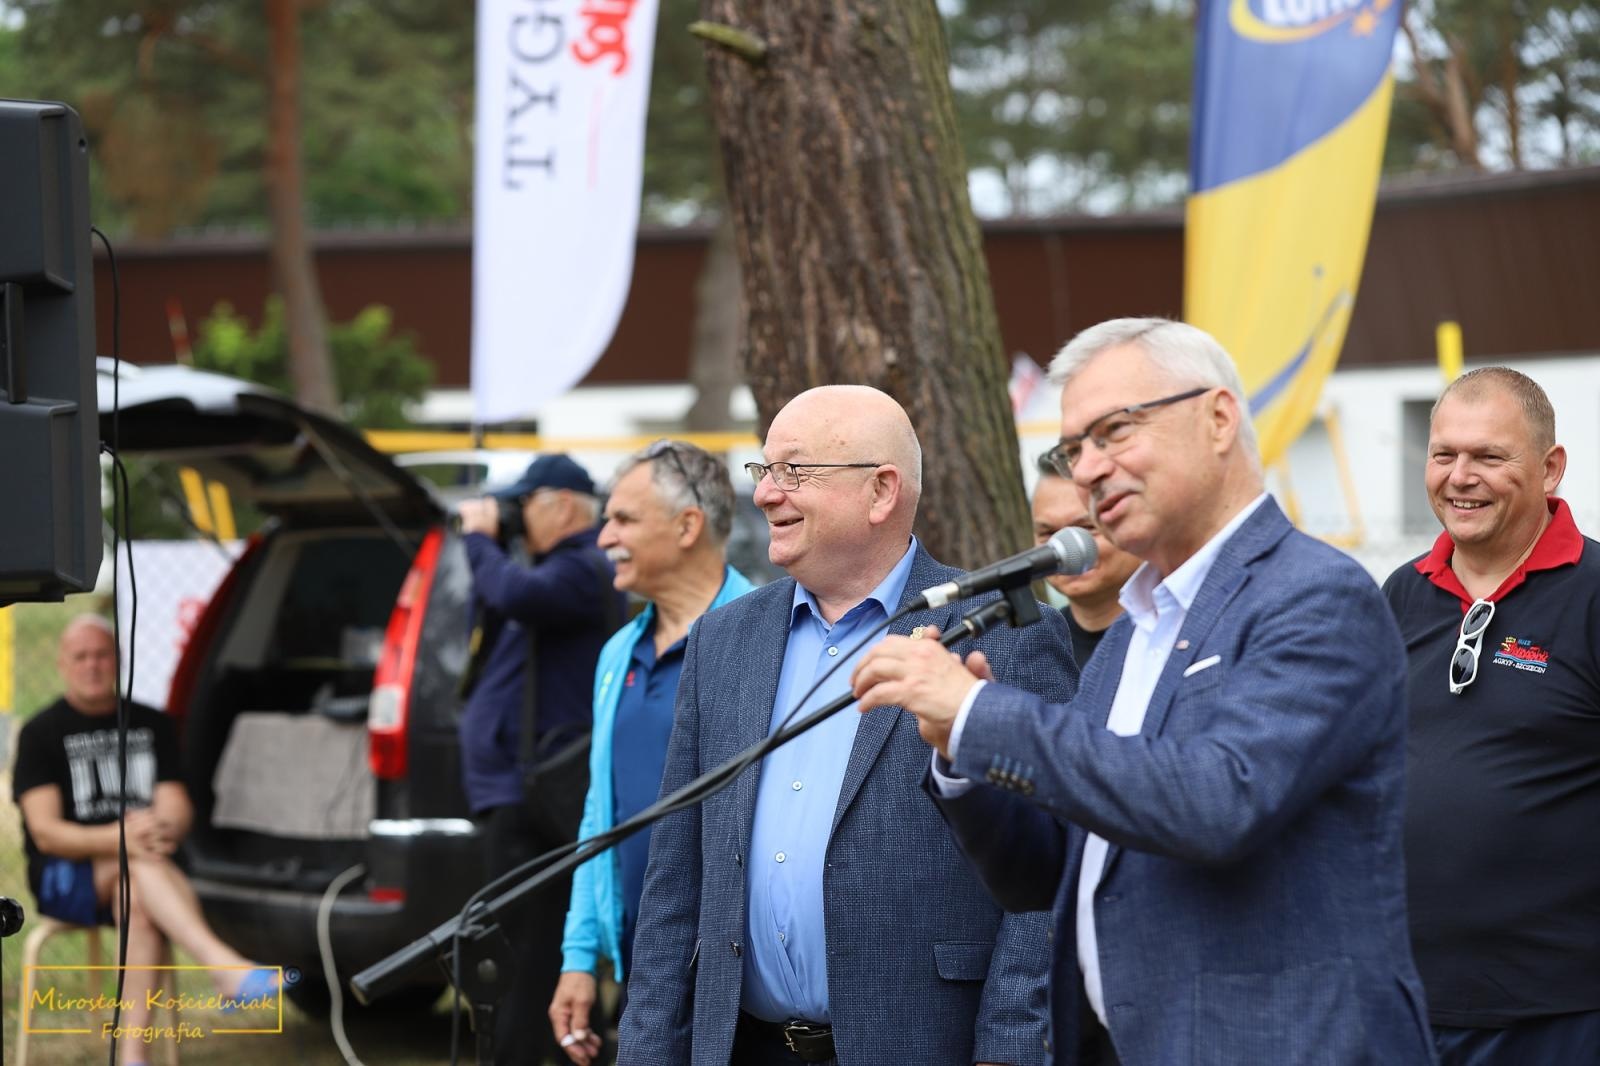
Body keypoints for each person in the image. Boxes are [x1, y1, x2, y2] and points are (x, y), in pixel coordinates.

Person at [853, 318, 1434, 1065]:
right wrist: (961, 759)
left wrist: (981, 714)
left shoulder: (1315, 595)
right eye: (1074, 448)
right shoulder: (1134, 629)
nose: (1089, 469)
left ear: (1219, 418)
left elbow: (1219, 802)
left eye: (1115, 432)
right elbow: (1053, 868)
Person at [618, 385, 1074, 1066]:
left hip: (924, 1046)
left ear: (881, 491)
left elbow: (1046, 874)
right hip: (741, 1048)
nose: (766, 495)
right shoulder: (723, 640)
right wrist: (648, 1049)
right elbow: (675, 877)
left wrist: (1010, 1046)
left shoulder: (1002, 635)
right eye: (763, 471)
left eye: (793, 472)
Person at [1382, 367, 1600, 1064]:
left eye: (1489, 457)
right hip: (1408, 1000)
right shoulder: (1400, 596)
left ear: (1550, 468)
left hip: (1558, 1014)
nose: (1460, 476)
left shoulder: (1594, 598)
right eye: (1444, 454)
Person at [548, 440, 756, 1064]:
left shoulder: (763, 639)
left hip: (735, 981)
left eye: (624, 519)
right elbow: (599, 814)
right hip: (638, 963)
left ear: (687, 526)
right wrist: (580, 957)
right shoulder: (618, 653)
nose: (603, 535)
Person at [13, 615, 277, 1066]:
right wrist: (121, 838)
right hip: (66, 875)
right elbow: (46, 832)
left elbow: (176, 806)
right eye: (81, 656)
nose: (92, 665)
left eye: (102, 654)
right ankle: (221, 966)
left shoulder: (151, 722)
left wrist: (156, 831)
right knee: (135, 864)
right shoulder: (41, 732)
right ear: (62, 663)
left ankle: (132, 1057)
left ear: (118, 661)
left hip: (139, 868)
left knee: (137, 899)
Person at [456, 452, 625, 1066]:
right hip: (518, 796)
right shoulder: (544, 568)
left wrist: (480, 543)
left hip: (543, 800)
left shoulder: (584, 568)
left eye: (522, 504)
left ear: (558, 504)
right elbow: (495, 606)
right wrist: (496, 546)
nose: (515, 517)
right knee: (520, 948)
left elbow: (515, 593)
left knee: (528, 955)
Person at [1031, 452, 1140, 666]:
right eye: (1048, 533)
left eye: (1086, 528)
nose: (1064, 549)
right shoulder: (1031, 649)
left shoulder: (1169, 633)